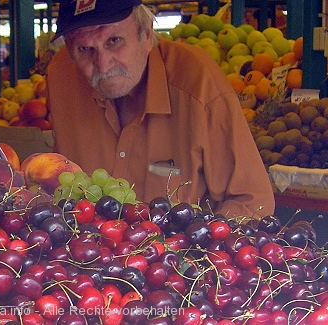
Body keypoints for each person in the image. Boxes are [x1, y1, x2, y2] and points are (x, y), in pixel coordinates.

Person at [46, 0, 275, 218]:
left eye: (114, 41)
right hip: (86, 254)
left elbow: (253, 201)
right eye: (84, 48)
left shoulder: (198, 82)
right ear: (69, 49)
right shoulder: (61, 78)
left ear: (146, 35)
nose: (103, 64)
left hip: (179, 255)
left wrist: (200, 251)